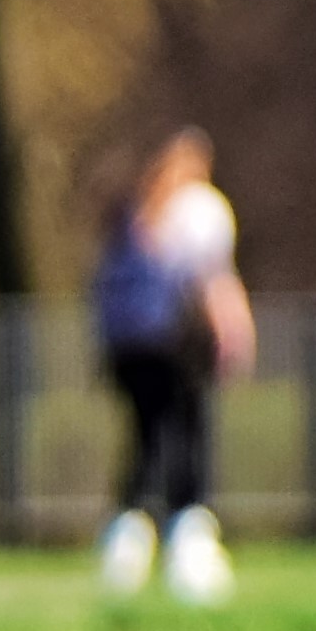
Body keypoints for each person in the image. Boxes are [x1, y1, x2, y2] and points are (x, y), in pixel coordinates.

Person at [89, 129, 256, 602]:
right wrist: (235, 335)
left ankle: (128, 541)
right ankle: (190, 544)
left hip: (128, 350)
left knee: (145, 442)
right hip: (176, 348)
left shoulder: (136, 213)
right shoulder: (198, 211)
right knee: (188, 440)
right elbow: (212, 280)